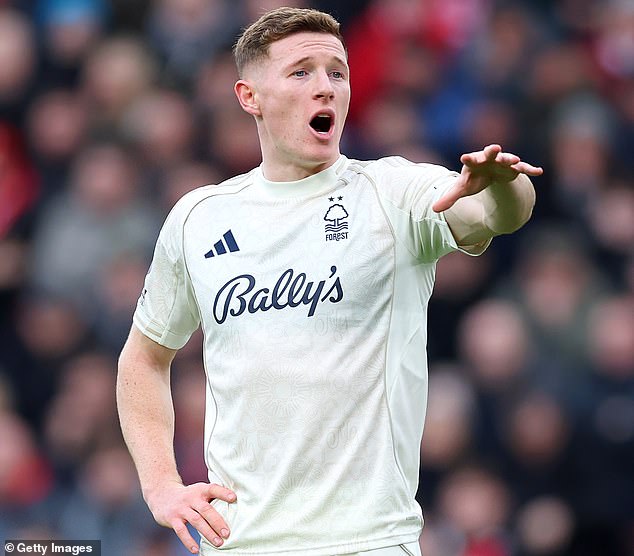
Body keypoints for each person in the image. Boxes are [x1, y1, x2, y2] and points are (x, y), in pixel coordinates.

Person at [116, 7, 542, 556]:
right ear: (250, 97)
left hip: (367, 542)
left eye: (337, 72)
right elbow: (144, 357)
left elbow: (493, 213)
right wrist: (160, 485)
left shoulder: (391, 192)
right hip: (239, 544)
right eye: (301, 72)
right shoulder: (199, 218)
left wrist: (504, 184)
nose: (326, 87)